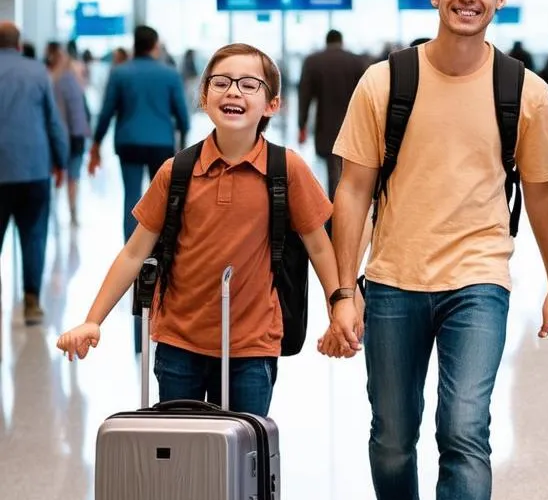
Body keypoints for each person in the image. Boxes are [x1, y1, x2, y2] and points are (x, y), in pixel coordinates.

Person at [330, 0, 548, 500]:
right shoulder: (385, 82)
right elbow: (352, 190)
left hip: (480, 277)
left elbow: (540, 191)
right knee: (392, 434)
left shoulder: (523, 91)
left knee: (465, 429)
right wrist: (345, 290)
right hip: (395, 279)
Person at [56, 43, 347, 413]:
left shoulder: (286, 170)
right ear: (204, 98)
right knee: (184, 460)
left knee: (244, 457)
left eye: (248, 84)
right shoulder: (177, 171)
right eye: (221, 82)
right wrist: (92, 321)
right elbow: (134, 251)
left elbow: (319, 246)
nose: (233, 91)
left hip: (252, 347)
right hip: (180, 344)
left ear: (272, 104)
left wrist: (340, 305)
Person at [90, 25, 192, 243]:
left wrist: (96, 143)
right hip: (162, 144)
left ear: (134, 45)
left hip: (129, 142)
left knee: (132, 196)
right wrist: (183, 144)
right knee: (163, 197)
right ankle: (162, 245)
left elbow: (107, 111)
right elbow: (183, 116)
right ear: (155, 46)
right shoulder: (170, 74)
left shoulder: (120, 73)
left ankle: (131, 249)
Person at [0, 22, 69, 324]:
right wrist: (61, 161)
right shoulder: (37, 72)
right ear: (18, 44)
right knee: (34, 235)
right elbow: (53, 121)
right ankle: (31, 302)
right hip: (34, 167)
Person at [297, 29, 367, 201]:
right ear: (341, 42)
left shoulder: (313, 61)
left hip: (326, 126)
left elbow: (304, 96)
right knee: (351, 169)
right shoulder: (357, 61)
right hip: (354, 125)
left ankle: (336, 211)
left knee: (333, 172)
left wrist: (302, 126)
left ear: (326, 42)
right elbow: (368, 95)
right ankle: (349, 208)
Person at [47, 43, 91, 226]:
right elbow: (81, 112)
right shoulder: (73, 81)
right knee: (74, 176)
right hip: (76, 135)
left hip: (62, 135)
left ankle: (57, 212)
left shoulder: (53, 81)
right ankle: (72, 213)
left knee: (59, 173)